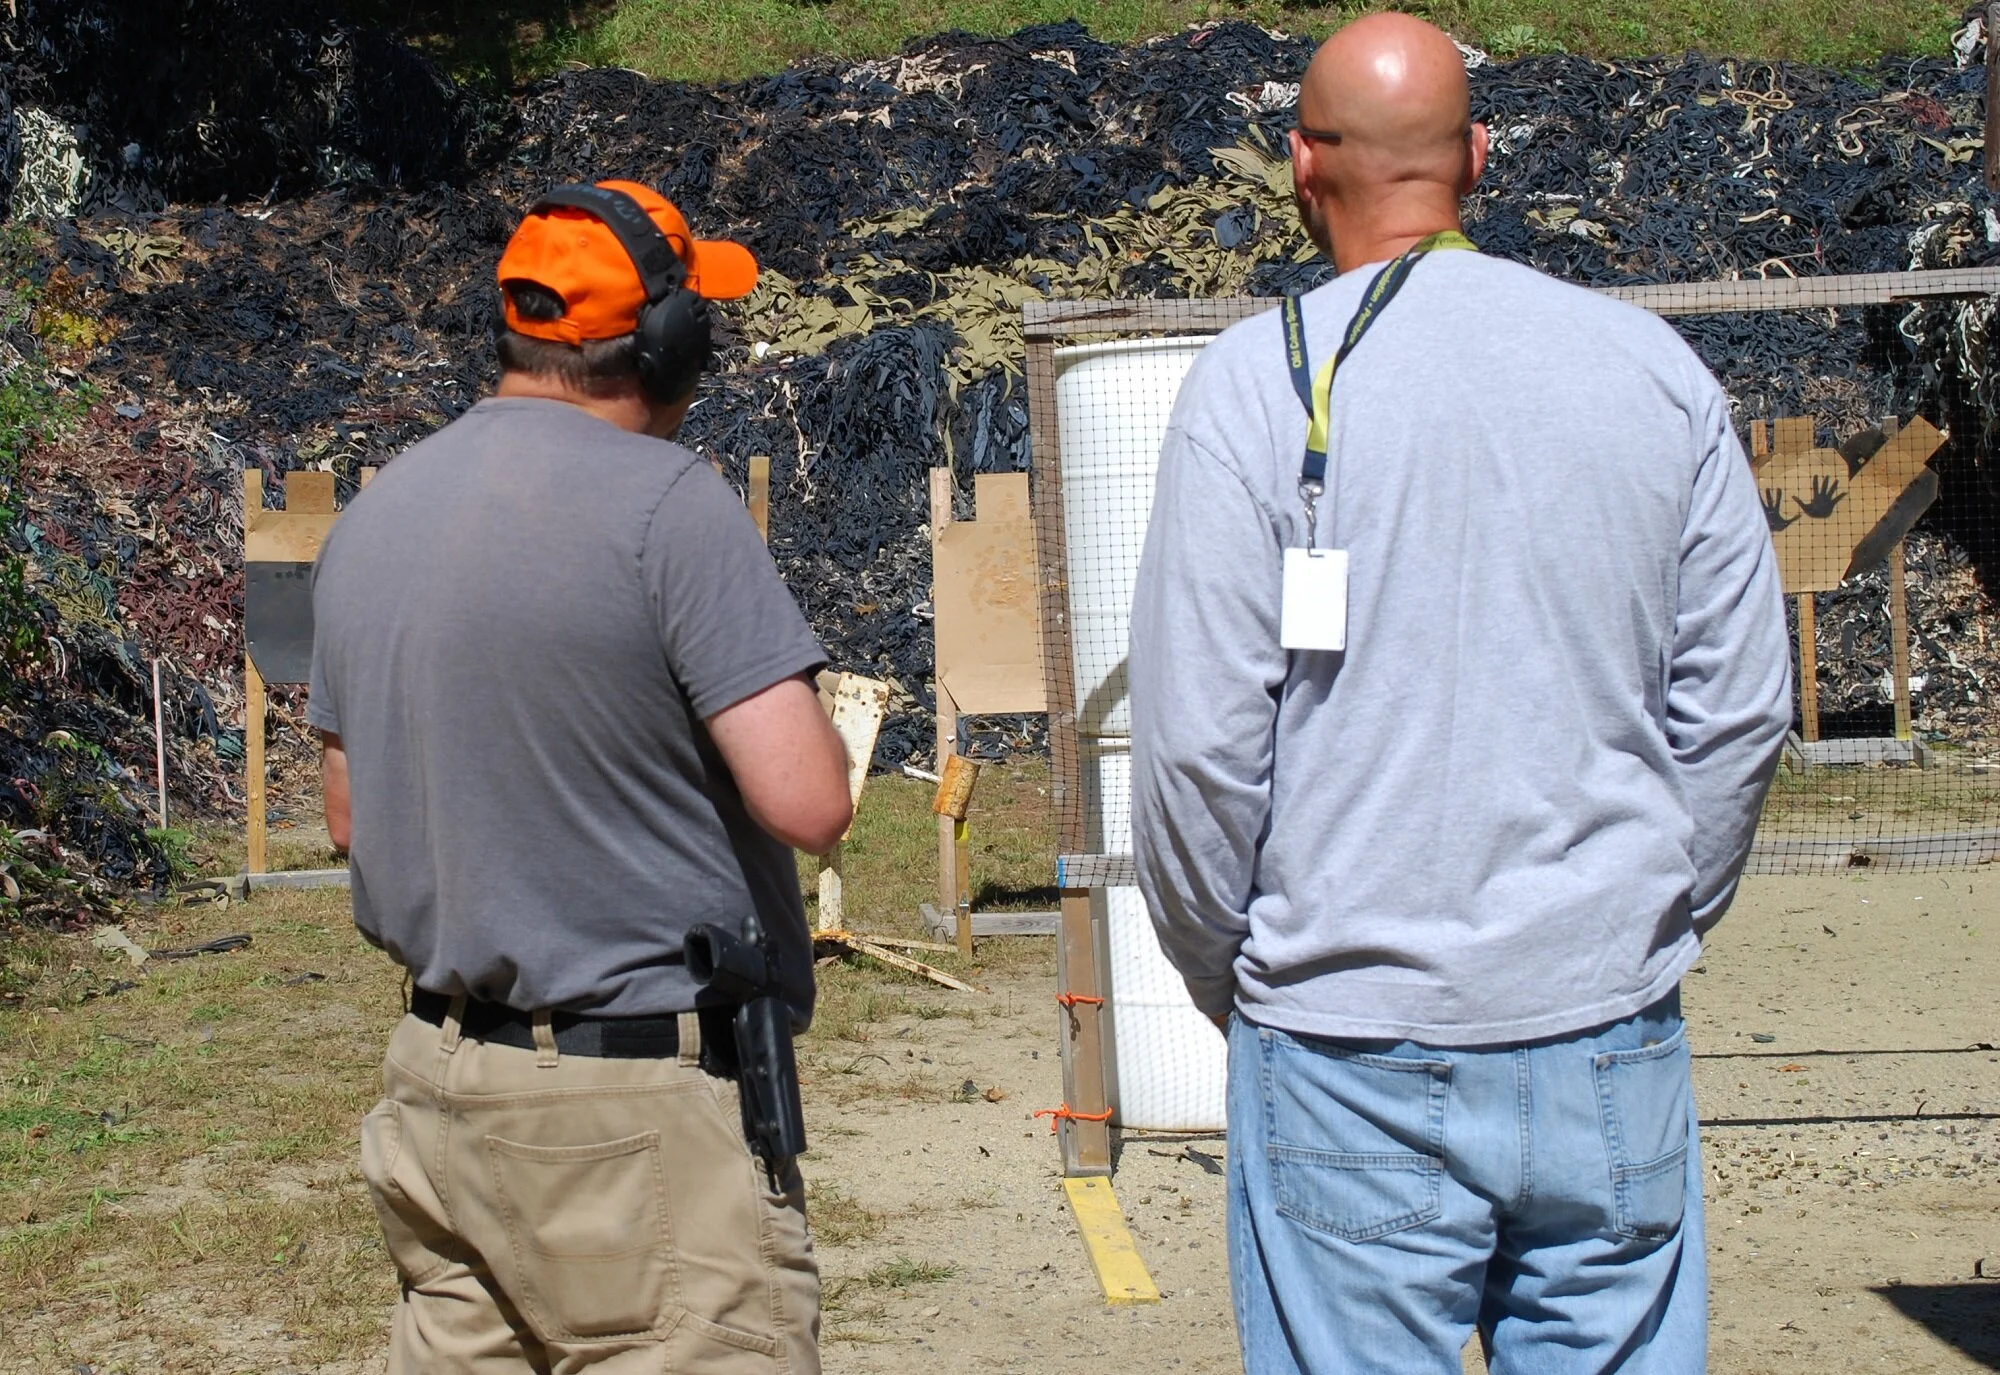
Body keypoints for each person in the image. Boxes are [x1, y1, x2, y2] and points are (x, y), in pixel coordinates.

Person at [1128, 14, 1791, 1374]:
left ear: (1302, 165)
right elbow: (1736, 707)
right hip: (1605, 1025)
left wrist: (1231, 971)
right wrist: (1648, 910)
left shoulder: (1256, 386)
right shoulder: (1652, 370)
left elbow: (1197, 747)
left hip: (1345, 1035)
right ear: (1478, 158)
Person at [309, 180, 852, 1374]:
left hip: (439, 1098)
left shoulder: (373, 515)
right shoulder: (669, 506)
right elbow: (810, 803)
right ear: (662, 344)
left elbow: (349, 817)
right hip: (629, 1115)